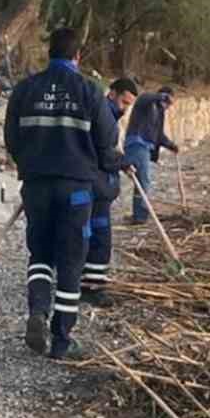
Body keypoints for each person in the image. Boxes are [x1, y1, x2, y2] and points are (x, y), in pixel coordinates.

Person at [3, 28, 126, 361]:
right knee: (71, 262)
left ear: (49, 54)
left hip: (37, 187)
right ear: (77, 57)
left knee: (40, 255)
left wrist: (32, 167)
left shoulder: (26, 90)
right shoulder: (89, 91)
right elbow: (106, 143)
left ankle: (38, 311)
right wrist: (119, 163)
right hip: (76, 192)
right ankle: (61, 340)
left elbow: (12, 140)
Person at [83, 77, 139, 305]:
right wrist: (123, 163)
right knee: (99, 238)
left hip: (97, 187)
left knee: (90, 237)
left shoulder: (105, 115)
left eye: (129, 105)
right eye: (124, 102)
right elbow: (104, 156)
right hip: (95, 189)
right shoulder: (104, 115)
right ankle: (92, 288)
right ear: (112, 93)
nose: (125, 109)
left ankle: (83, 282)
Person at [124, 86, 177, 224]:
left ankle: (138, 215)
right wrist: (163, 97)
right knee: (144, 181)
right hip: (137, 144)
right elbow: (145, 96)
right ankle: (141, 217)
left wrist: (171, 145)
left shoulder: (159, 113)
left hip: (145, 148)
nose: (168, 106)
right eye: (168, 103)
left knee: (140, 183)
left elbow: (159, 135)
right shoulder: (147, 102)